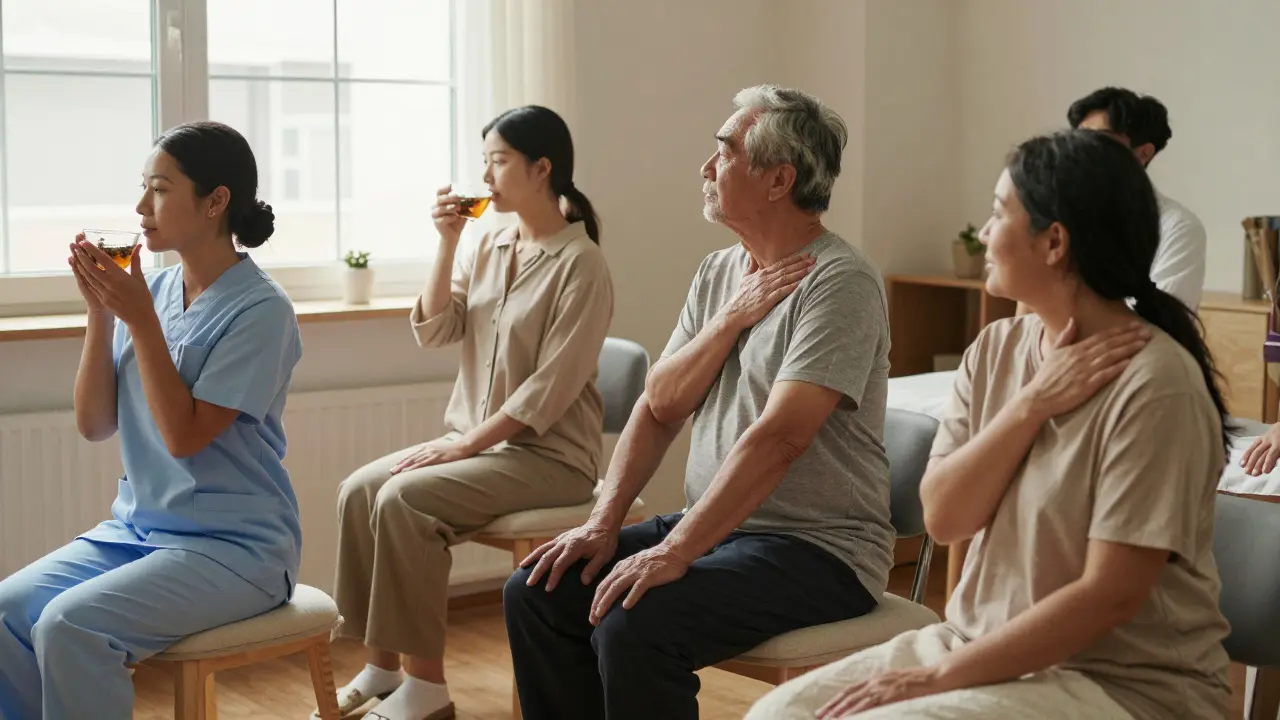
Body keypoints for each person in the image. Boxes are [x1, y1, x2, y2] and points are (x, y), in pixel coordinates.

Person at [748, 129, 1232, 720]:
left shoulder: (1157, 384)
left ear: (1054, 243)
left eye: (999, 212)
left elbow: (1111, 594)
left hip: (1119, 683)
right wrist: (1031, 406)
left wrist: (939, 680)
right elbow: (946, 519)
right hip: (973, 642)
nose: (982, 232)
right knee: (778, 715)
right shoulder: (997, 348)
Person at [503, 84, 894, 720]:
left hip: (818, 550)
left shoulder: (840, 282)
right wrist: (605, 522)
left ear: (778, 180)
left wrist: (675, 550)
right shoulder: (719, 273)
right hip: (719, 531)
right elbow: (660, 403)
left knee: (637, 622)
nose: (706, 168)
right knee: (539, 590)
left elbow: (781, 439)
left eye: (724, 152)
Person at [0, 121, 302, 720]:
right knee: (8, 608)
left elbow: (184, 437)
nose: (142, 207)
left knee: (69, 626)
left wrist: (137, 320)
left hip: (238, 547)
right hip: (139, 530)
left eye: (159, 189)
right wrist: (100, 314)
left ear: (215, 201)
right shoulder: (155, 289)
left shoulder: (263, 311)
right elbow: (93, 423)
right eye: (143, 187)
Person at [325, 105, 612, 720]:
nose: (486, 176)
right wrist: (447, 242)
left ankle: (427, 691)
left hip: (550, 457)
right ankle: (382, 669)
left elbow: (549, 390)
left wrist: (465, 447)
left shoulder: (580, 264)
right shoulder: (491, 242)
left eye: (499, 161)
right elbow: (436, 329)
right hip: (481, 444)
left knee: (405, 501)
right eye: (484, 161)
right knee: (358, 491)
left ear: (542, 168)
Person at [1069, 86, 1207, 310]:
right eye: (1077, 138)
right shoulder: (1062, 212)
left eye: (1098, 140)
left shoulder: (1178, 228)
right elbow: (1031, 308)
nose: (1080, 150)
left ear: (1142, 154)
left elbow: (1162, 325)